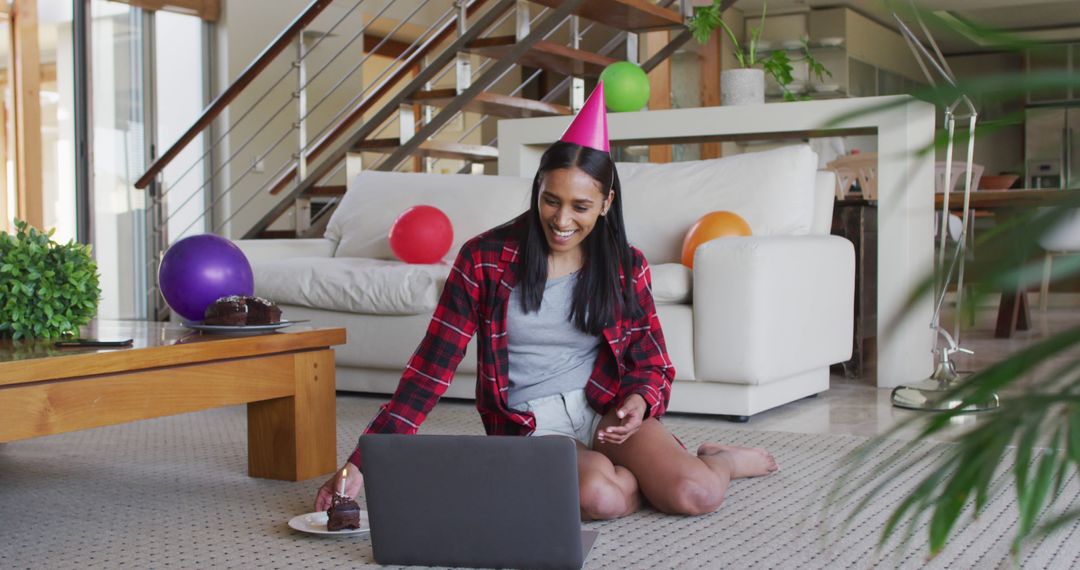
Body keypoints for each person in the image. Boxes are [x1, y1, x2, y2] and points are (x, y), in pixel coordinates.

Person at [315, 83, 777, 520]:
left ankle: (723, 460)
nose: (561, 219)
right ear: (537, 190)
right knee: (600, 497)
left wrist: (639, 398)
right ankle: (623, 474)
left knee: (696, 494)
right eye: (551, 200)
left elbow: (651, 360)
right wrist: (362, 462)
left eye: (580, 206)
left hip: (604, 407)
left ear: (605, 202)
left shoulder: (625, 265)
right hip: (529, 421)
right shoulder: (483, 260)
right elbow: (430, 369)